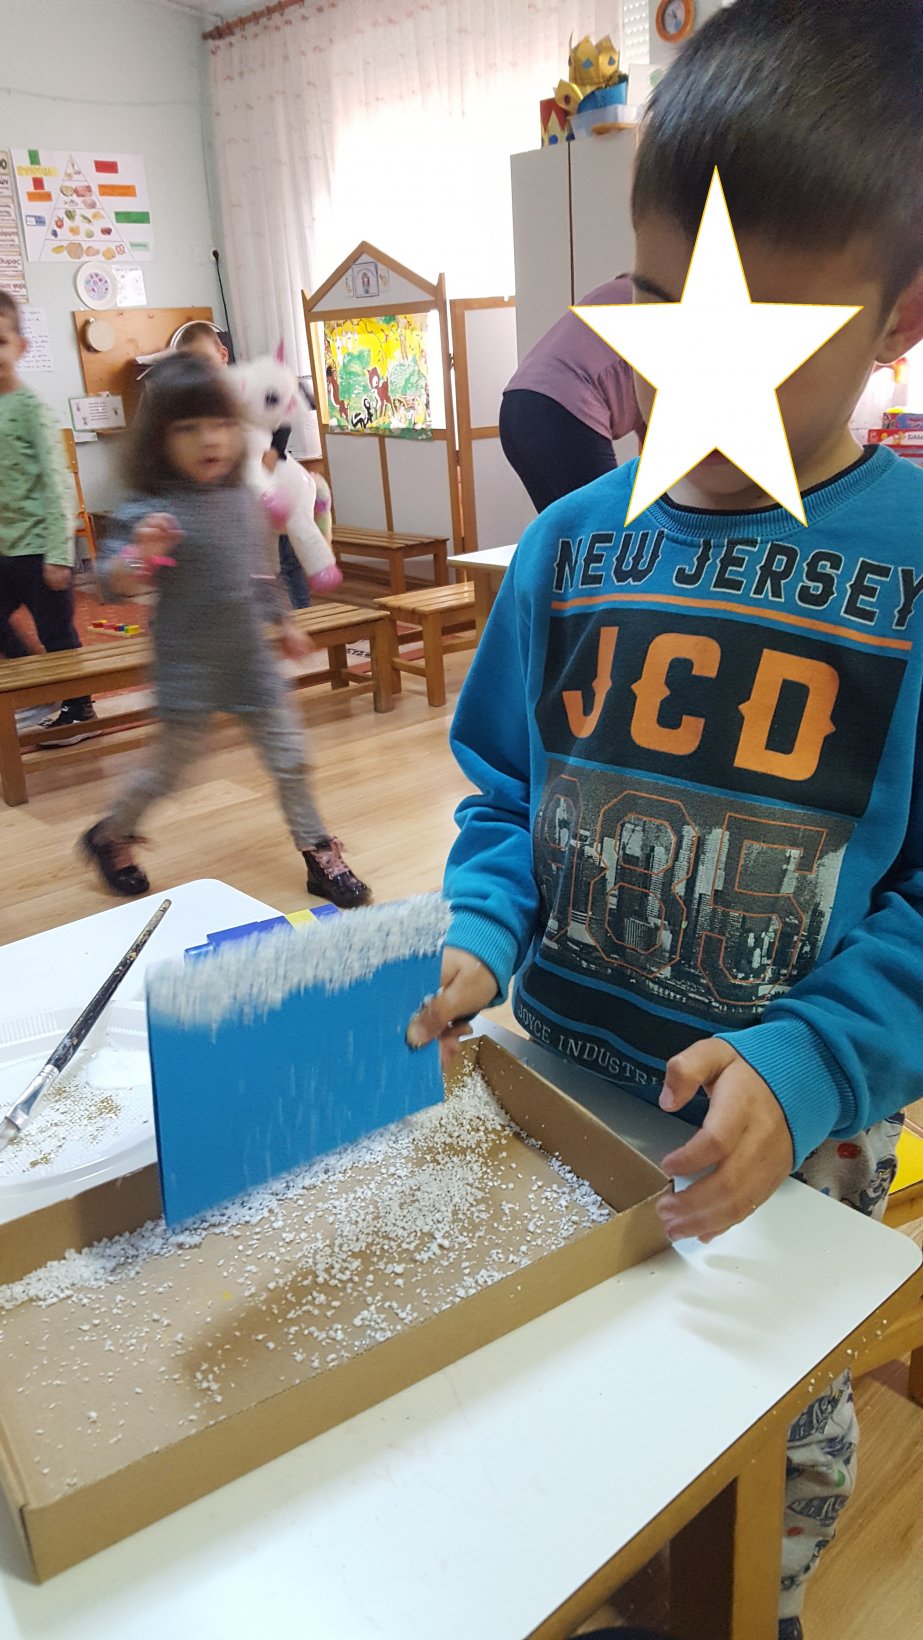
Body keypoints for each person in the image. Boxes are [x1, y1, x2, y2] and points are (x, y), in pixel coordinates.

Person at [407, 4, 923, 1637]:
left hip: (778, 1150)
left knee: (752, 1478)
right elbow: (506, 787)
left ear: (898, 316)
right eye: (661, 304)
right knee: (555, 1427)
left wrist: (811, 1056)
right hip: (553, 1095)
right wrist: (480, 929)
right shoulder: (569, 545)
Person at [80, 353, 370, 910]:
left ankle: (317, 850)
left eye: (220, 424)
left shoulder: (243, 500)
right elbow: (112, 581)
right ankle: (111, 833)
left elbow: (258, 574)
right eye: (187, 428)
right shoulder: (150, 509)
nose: (208, 440)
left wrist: (282, 621)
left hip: (249, 661)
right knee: (168, 772)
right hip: (187, 664)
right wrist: (142, 552)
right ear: (159, 441)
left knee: (291, 758)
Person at [0, 290, 97, 738]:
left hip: (41, 549)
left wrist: (61, 554)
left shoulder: (31, 408)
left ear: (21, 347)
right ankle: (37, 691)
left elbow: (58, 485)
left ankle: (79, 710)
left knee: (57, 634)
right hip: (5, 548)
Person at [176, 321, 313, 609]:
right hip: (233, 494)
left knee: (287, 557)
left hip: (269, 479)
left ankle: (303, 616)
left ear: (222, 354)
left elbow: (282, 414)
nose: (200, 370)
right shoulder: (197, 400)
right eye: (191, 365)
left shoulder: (250, 382)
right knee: (254, 567)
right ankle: (263, 618)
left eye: (205, 360)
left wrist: (271, 457)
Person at [499, 275, 644, 511]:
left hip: (515, 407)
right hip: (558, 411)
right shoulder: (666, 304)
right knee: (607, 518)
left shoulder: (628, 289)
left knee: (564, 525)